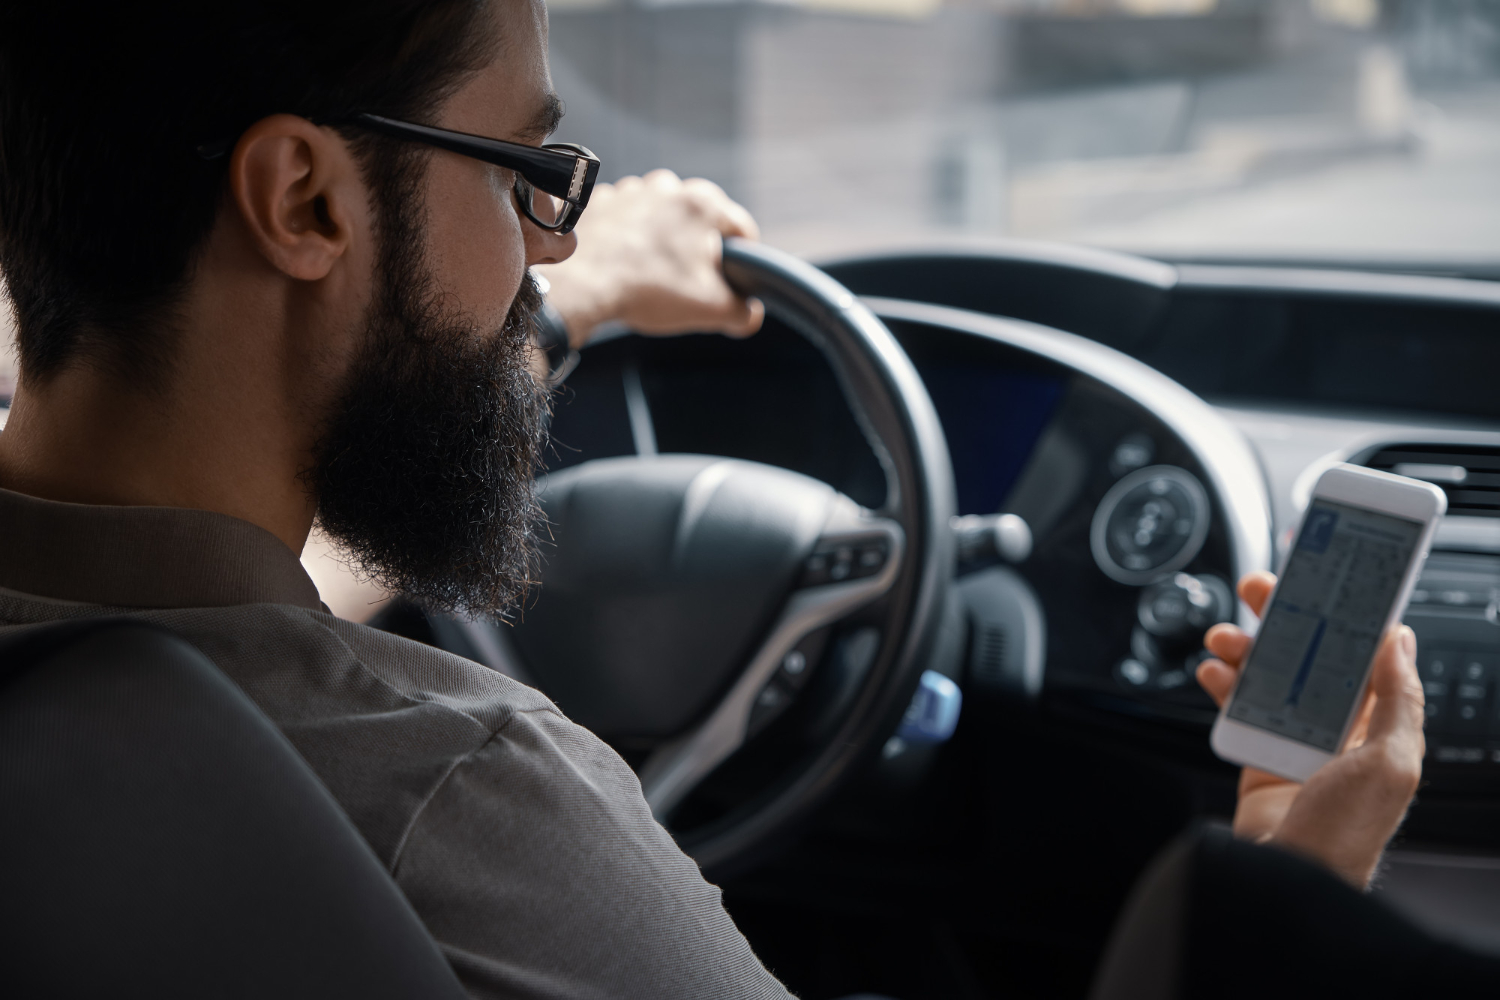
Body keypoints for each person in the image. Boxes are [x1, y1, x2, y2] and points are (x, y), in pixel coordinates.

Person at [0, 2, 1436, 998]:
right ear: (306, 201)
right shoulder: (460, 787)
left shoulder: (114, 678)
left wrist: (583, 307)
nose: (544, 257)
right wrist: (1286, 894)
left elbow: (239, 618)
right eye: (525, 180)